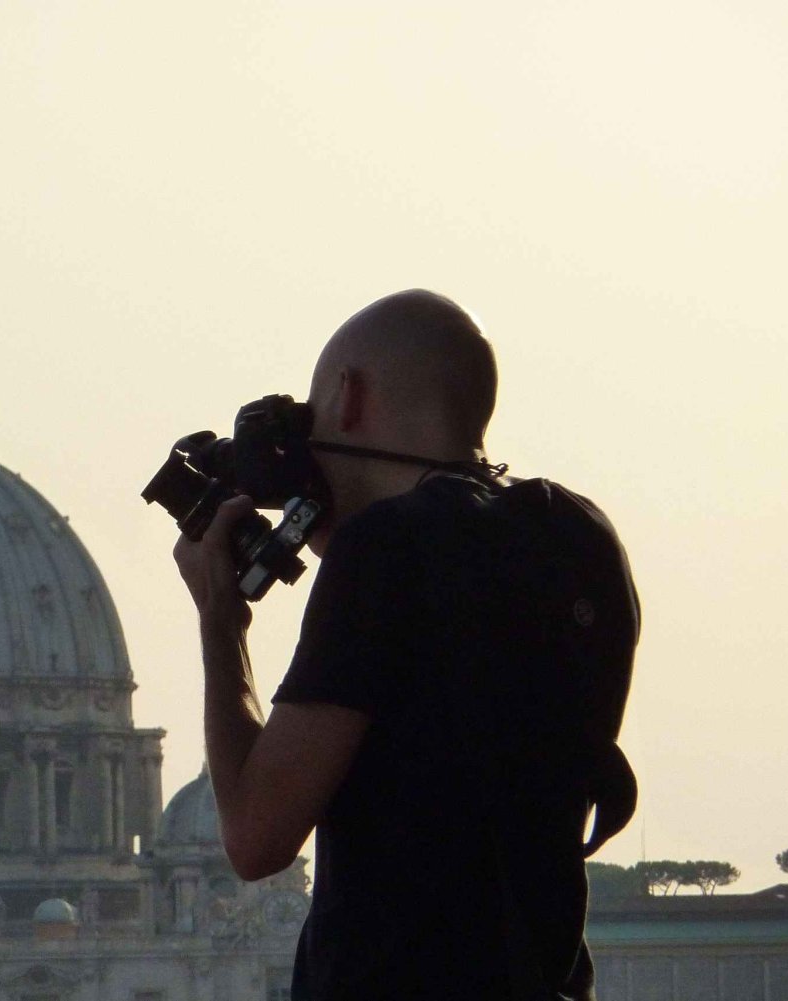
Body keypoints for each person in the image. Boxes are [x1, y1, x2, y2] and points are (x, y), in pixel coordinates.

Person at [172, 290, 637, 1001]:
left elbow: (256, 835)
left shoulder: (387, 552)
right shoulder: (582, 537)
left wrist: (220, 621)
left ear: (349, 395)